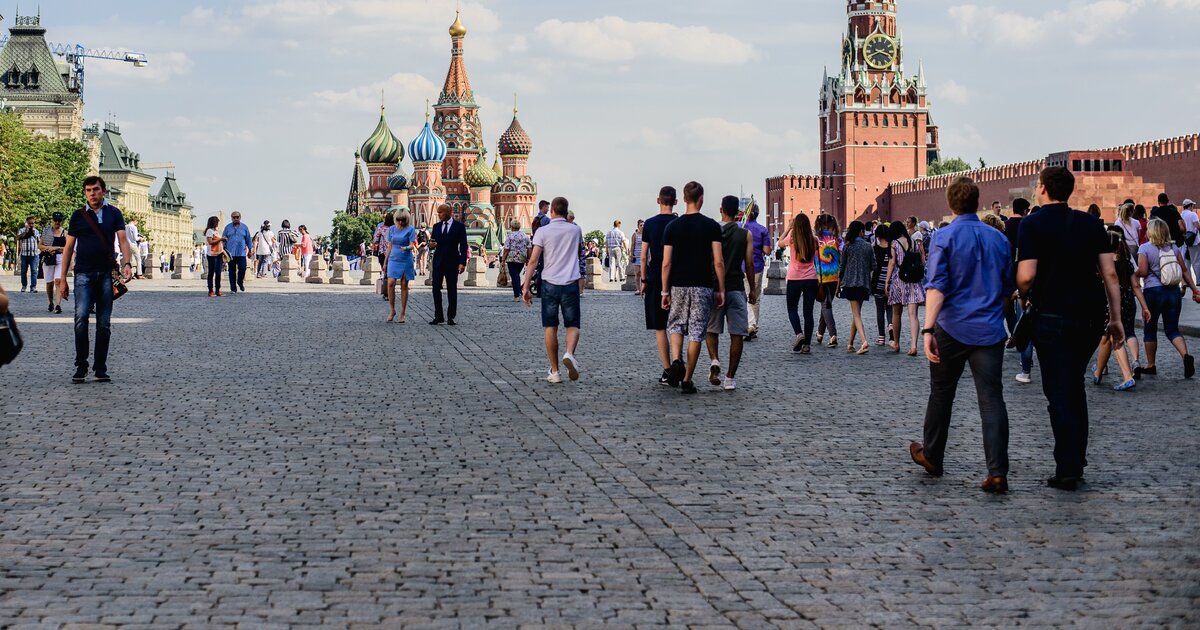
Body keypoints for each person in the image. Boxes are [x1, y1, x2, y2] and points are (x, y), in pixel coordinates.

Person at [1016, 166, 1124, 491]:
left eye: (1038, 185)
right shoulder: (1091, 224)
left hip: (1051, 318)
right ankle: (1075, 459)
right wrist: (1116, 318)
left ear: (1045, 189)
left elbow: (1026, 276)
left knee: (1059, 393)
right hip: (1090, 318)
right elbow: (1111, 275)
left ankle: (1068, 466)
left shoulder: (1031, 224)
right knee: (1074, 386)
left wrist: (1022, 295)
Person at [910, 176, 1014, 493]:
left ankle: (932, 455)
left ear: (950, 203)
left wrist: (928, 327)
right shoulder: (998, 239)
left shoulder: (944, 237)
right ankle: (997, 472)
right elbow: (1009, 288)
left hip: (952, 328)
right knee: (992, 400)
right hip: (990, 329)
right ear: (977, 201)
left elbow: (937, 285)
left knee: (941, 393)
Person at [58, 176, 135, 383]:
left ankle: (100, 367)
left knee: (104, 323)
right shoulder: (78, 216)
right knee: (81, 318)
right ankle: (81, 365)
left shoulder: (114, 213)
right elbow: (68, 248)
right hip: (83, 273)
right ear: (85, 193)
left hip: (106, 275)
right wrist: (62, 279)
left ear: (104, 191)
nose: (92, 193)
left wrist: (127, 264)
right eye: (88, 190)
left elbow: (123, 240)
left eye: (96, 189)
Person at [661, 181, 725, 394]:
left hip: (678, 284)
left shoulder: (672, 227)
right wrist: (721, 289)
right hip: (703, 285)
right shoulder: (712, 226)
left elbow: (666, 262)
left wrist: (664, 290)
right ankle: (687, 379)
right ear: (702, 199)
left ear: (684, 198)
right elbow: (718, 261)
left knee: (676, 324)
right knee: (697, 330)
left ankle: (676, 360)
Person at [523, 196, 584, 383]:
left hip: (549, 284)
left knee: (550, 326)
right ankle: (569, 354)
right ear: (566, 211)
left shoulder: (542, 231)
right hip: (571, 282)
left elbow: (533, 261)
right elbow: (578, 253)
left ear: (551, 212)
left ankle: (555, 371)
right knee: (572, 325)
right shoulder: (576, 230)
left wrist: (525, 286)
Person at [1136, 217, 1200, 379]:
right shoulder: (1174, 248)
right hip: (1173, 292)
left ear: (1152, 232)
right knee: (1172, 329)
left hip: (1153, 293)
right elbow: (1184, 270)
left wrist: (1132, 274)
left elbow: (1143, 272)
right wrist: (1194, 289)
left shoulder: (1145, 249)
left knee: (1150, 330)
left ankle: (1151, 365)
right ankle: (1185, 355)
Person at [704, 195, 757, 390]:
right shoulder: (745, 235)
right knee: (737, 333)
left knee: (711, 329)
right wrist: (753, 289)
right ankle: (729, 378)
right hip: (735, 287)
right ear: (739, 213)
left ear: (721, 210)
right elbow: (749, 264)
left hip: (715, 287)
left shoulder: (712, 232)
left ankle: (715, 360)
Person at [1092, 228, 1146, 391]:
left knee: (1114, 337)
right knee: (1106, 338)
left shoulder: (1102, 263)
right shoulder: (1126, 262)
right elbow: (1135, 284)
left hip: (1109, 302)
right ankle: (1098, 373)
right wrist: (1144, 306)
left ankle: (1127, 376)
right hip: (1127, 302)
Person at [640, 186, 679, 385]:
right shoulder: (678, 222)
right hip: (678, 277)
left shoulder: (649, 224)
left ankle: (667, 369)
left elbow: (644, 255)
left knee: (660, 327)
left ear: (658, 201)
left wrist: (644, 280)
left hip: (655, 277)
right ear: (676, 202)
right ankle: (678, 362)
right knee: (676, 325)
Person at [779, 213, 819, 354]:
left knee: (792, 309)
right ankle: (807, 345)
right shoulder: (814, 240)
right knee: (808, 313)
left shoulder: (792, 238)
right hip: (811, 278)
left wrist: (788, 228)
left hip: (794, 278)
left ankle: (799, 334)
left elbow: (779, 243)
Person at [885, 221, 925, 356]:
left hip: (898, 280)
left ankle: (896, 343)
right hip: (913, 280)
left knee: (897, 313)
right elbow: (921, 258)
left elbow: (892, 263)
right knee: (913, 315)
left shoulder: (894, 243)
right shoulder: (913, 241)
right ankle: (913, 345)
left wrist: (887, 281)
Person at [428, 203, 468, 325]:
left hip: (452, 262)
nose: (439, 215)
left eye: (441, 212)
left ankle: (451, 316)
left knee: (452, 289)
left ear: (448, 212)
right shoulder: (436, 226)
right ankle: (438, 315)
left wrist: (462, 262)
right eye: (438, 212)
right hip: (438, 262)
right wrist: (431, 245)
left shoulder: (459, 227)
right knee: (435, 289)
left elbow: (463, 245)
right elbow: (432, 242)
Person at [838, 220, 874, 354]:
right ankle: (850, 343)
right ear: (860, 231)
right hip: (864, 283)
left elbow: (842, 267)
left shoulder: (848, 246)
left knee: (856, 314)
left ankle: (864, 341)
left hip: (851, 283)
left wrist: (838, 283)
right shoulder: (868, 246)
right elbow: (873, 265)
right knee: (857, 313)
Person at [741, 204, 771, 341]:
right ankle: (753, 325)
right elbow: (767, 251)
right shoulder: (762, 230)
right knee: (755, 298)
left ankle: (749, 324)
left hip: (740, 267)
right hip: (757, 266)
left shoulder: (739, 227)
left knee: (744, 296)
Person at [814, 214, 842, 348]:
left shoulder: (815, 239)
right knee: (827, 304)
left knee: (825, 305)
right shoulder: (837, 239)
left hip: (820, 276)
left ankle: (833, 335)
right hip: (834, 276)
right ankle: (819, 333)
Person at [385, 209, 417, 323]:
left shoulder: (411, 229)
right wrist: (385, 262)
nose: (400, 222)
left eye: (403, 220)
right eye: (398, 219)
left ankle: (403, 312)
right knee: (390, 283)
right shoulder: (392, 229)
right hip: (393, 259)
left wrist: (406, 248)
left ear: (407, 219)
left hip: (405, 259)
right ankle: (392, 310)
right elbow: (390, 246)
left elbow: (412, 245)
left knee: (404, 285)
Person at [38, 212, 67, 313]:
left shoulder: (65, 233)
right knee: (49, 283)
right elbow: (40, 245)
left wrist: (57, 248)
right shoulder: (46, 232)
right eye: (55, 220)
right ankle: (50, 302)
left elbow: (68, 248)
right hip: (49, 258)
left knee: (58, 281)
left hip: (60, 258)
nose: (57, 222)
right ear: (52, 220)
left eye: (59, 220)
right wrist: (47, 248)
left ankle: (58, 304)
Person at [871, 224, 892, 346]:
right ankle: (890, 325)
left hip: (878, 283)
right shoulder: (892, 248)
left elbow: (873, 267)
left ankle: (881, 338)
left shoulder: (875, 249)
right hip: (890, 283)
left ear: (877, 235)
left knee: (879, 310)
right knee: (889, 308)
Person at [500, 218, 531, 302]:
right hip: (522, 258)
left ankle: (517, 294)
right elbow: (529, 248)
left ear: (512, 227)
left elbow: (506, 249)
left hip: (512, 258)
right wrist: (528, 258)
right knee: (517, 275)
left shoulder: (510, 235)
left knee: (514, 276)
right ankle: (519, 292)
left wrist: (503, 260)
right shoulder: (525, 236)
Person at [221, 211, 252, 292]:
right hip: (230, 253)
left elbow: (248, 239)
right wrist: (222, 250)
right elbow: (223, 239)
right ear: (231, 218)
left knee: (242, 268)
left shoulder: (244, 227)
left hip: (241, 252)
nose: (235, 219)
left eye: (237, 217)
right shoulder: (227, 227)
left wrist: (250, 250)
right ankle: (233, 288)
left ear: (240, 217)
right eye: (233, 217)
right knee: (231, 271)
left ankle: (240, 281)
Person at [16, 216, 40, 293]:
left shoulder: (36, 231)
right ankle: (24, 286)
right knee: (23, 271)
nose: (31, 225)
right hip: (24, 254)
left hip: (34, 255)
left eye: (33, 223)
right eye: (30, 223)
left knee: (34, 271)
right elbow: (18, 238)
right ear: (26, 223)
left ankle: (33, 287)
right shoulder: (22, 230)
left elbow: (39, 242)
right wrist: (26, 232)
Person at [204, 216, 226, 297]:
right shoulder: (209, 231)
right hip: (212, 254)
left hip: (219, 253)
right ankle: (210, 290)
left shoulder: (216, 231)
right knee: (211, 272)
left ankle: (218, 290)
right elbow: (210, 242)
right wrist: (220, 239)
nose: (218, 223)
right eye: (217, 222)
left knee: (218, 273)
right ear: (214, 222)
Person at [1181, 199, 1199, 281]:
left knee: (1186, 262)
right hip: (1194, 241)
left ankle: (1188, 281)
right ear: (1190, 205)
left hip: (1185, 241)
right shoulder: (1193, 214)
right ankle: (1198, 280)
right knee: (1196, 261)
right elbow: (1197, 226)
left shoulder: (1181, 215)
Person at [630, 219, 644, 288]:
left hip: (644, 256)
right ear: (638, 226)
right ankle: (638, 288)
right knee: (637, 273)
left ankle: (643, 288)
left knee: (643, 273)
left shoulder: (646, 234)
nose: (642, 227)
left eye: (643, 225)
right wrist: (631, 254)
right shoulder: (635, 235)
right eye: (641, 225)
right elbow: (632, 245)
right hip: (636, 256)